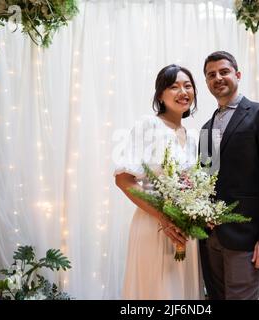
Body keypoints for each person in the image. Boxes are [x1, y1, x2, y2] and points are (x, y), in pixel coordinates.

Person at [199, 51, 259, 300]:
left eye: (224, 72)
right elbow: (206, 182)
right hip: (210, 237)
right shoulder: (206, 129)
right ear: (207, 82)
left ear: (237, 75)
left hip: (245, 238)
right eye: (211, 75)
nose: (218, 78)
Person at [114, 64, 203, 299]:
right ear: (160, 95)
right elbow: (124, 180)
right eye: (173, 86)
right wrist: (164, 216)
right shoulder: (148, 126)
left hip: (186, 231)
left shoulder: (194, 137)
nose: (183, 92)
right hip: (155, 226)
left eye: (188, 86)